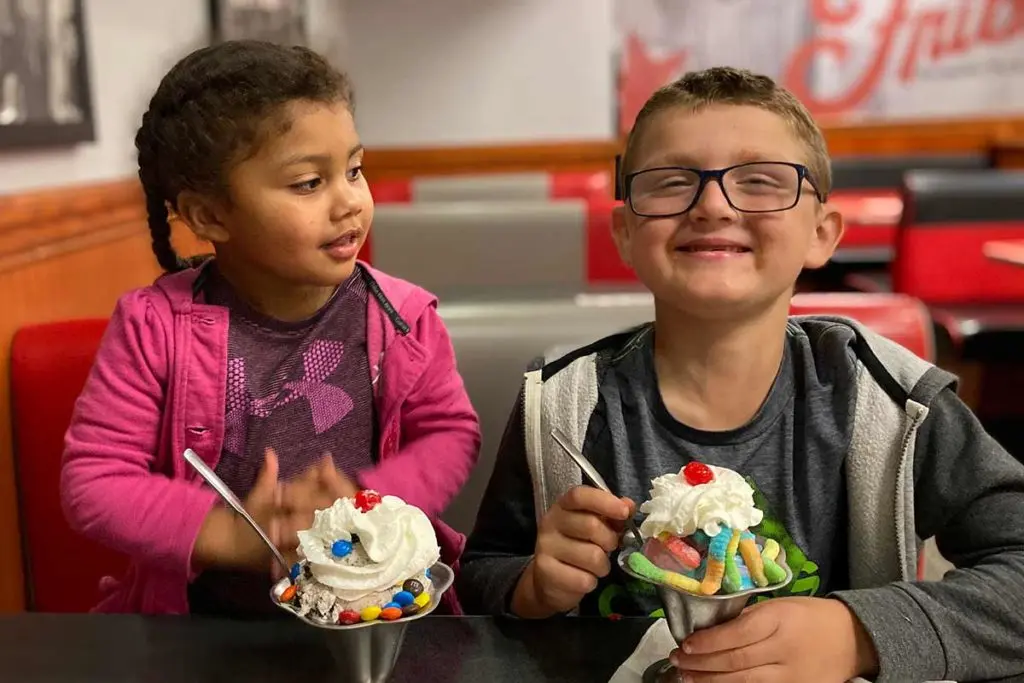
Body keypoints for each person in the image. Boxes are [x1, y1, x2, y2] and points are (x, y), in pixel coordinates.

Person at [458, 66, 1024, 682]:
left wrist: (860, 634)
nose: (712, 205)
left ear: (822, 234)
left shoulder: (889, 399)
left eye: (759, 181)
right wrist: (531, 587)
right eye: (672, 182)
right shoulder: (561, 405)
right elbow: (483, 573)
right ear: (625, 232)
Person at [61, 41, 480, 618]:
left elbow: (450, 432)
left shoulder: (402, 317)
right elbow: (93, 480)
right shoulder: (153, 327)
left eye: (354, 170)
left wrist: (368, 505)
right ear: (210, 215)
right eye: (308, 182)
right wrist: (230, 535)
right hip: (205, 627)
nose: (349, 202)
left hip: (377, 613)